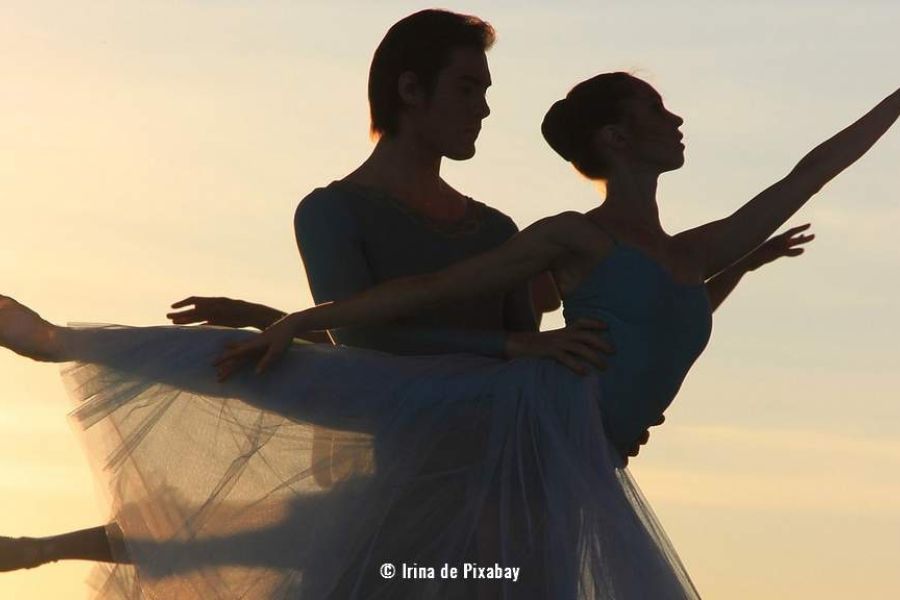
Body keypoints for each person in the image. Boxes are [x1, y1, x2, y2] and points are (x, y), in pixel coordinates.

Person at [1, 73, 892, 597]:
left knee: (318, 538)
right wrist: (298, 320)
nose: (678, 122)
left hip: (579, 456)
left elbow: (806, 176)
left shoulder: (696, 257)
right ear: (618, 139)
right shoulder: (570, 237)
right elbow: (428, 292)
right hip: (529, 417)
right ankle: (49, 340)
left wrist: (736, 271)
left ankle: (41, 545)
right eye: (658, 112)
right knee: (306, 473)